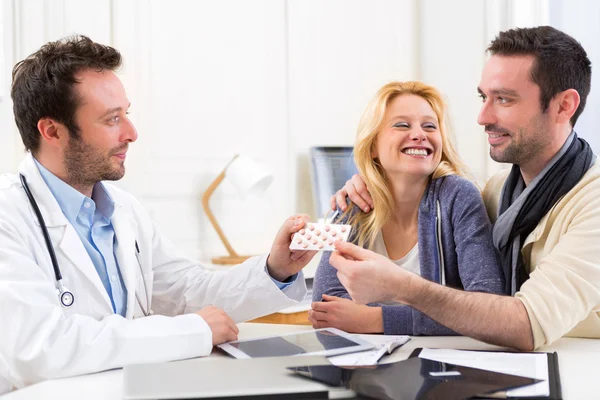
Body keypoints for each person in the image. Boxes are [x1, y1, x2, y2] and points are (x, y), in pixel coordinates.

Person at [0, 35, 316, 392]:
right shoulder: (9, 215)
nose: (132, 133)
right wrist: (192, 331)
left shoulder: (124, 210)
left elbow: (187, 290)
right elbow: (40, 348)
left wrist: (276, 268)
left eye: (127, 114)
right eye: (111, 120)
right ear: (52, 131)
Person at [330, 26, 600, 351]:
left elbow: (527, 324)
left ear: (563, 106)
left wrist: (402, 288)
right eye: (483, 97)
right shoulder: (498, 192)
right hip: (508, 365)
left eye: (504, 99)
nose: (483, 117)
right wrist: (374, 181)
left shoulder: (592, 201)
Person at [309, 81, 505, 335]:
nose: (419, 134)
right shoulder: (351, 204)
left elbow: (488, 307)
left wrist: (376, 319)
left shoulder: (457, 197)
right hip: (366, 366)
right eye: (402, 125)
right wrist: (439, 314)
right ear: (373, 147)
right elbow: (326, 308)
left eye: (430, 126)